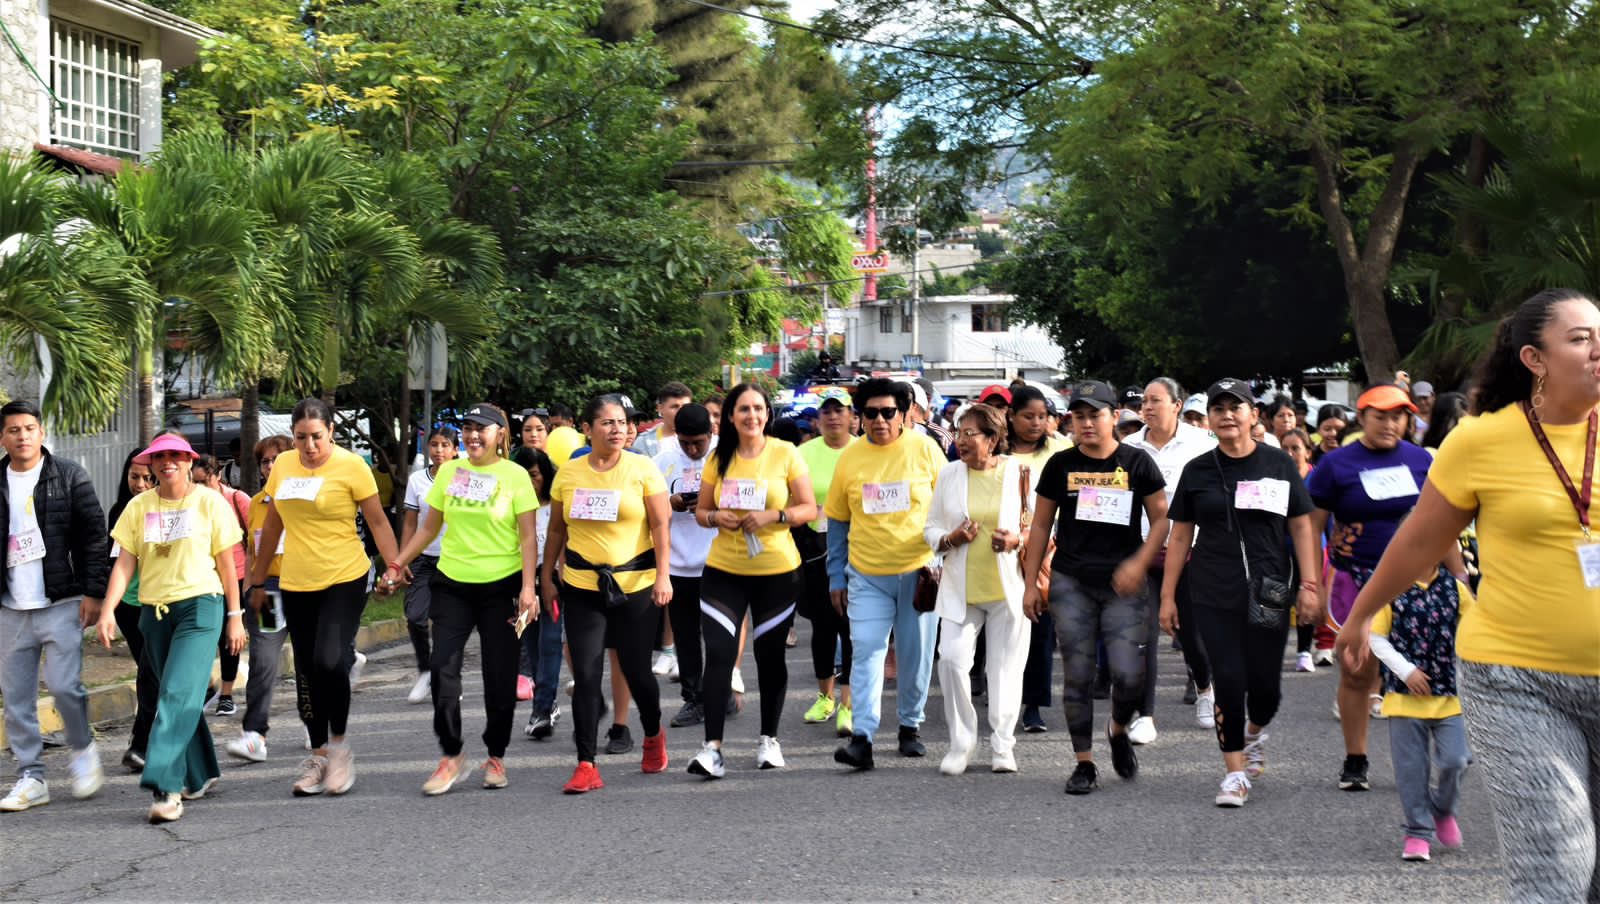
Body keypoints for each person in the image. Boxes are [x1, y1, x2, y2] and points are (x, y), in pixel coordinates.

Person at [1336, 288, 1600, 901]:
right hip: (1518, 680)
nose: (1597, 349)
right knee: (1555, 857)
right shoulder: (1480, 441)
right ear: (1535, 358)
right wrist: (1362, 614)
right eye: (1581, 338)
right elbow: (1418, 543)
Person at [1160, 379, 1320, 808]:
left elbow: (1302, 526)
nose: (1228, 414)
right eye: (1219, 408)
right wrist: (1168, 596)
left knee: (1266, 689)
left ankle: (1254, 733)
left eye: (1237, 406)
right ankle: (1234, 774)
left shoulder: (1278, 464)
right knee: (1228, 680)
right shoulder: (1198, 470)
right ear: (1209, 419)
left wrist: (1309, 584)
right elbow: (1179, 537)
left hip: (1268, 589)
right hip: (1212, 589)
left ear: (1254, 415)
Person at [248, 398, 402, 798]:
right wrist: (258, 579)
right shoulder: (283, 466)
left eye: (316, 437)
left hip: (344, 576)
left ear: (331, 431)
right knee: (306, 670)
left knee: (329, 659)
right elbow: (276, 520)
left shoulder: (352, 467)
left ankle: (338, 746)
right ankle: (318, 755)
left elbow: (378, 520)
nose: (309, 446)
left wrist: (393, 565)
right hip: (297, 580)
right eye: (301, 438)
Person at [1021, 380, 1168, 795]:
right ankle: (1083, 763)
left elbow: (1162, 520)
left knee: (1128, 676)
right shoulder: (1060, 466)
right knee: (1078, 676)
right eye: (1079, 416)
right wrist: (1032, 584)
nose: (1087, 423)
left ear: (1114, 416)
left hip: (1124, 584)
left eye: (1095, 415)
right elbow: (1040, 527)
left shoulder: (1137, 463)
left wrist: (1139, 564)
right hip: (1072, 581)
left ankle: (1118, 728)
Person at [385, 404, 539, 794]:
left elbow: (526, 537)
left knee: (499, 677)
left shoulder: (515, 475)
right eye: (467, 428)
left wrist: (528, 587)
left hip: (501, 587)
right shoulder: (451, 472)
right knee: (442, 670)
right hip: (452, 582)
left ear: (500, 434)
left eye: (481, 429)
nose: (472, 435)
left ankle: (496, 755)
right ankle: (451, 755)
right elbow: (429, 526)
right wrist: (397, 562)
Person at [1308, 384, 1450, 793]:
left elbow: (1441, 520)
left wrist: (1458, 578)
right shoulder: (1336, 464)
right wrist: (1312, 583)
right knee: (1358, 670)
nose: (1390, 424)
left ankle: (1421, 761)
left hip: (1417, 582)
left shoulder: (1421, 459)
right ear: (1362, 417)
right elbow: (1312, 523)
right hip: (1356, 576)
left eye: (1398, 416)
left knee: (1424, 671)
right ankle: (1356, 758)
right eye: (1381, 416)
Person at [97, 433, 246, 823]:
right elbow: (125, 563)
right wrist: (109, 608)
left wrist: (235, 616)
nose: (168, 462)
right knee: (177, 694)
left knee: (177, 692)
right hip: (154, 614)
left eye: (176, 456)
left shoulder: (208, 501)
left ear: (188, 461)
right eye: (160, 456)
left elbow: (227, 564)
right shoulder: (138, 507)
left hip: (201, 607)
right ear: (151, 462)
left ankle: (166, 784)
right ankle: (200, 774)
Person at [542, 394, 673, 794]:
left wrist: (664, 577)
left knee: (636, 671)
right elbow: (558, 530)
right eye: (607, 423)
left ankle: (653, 735)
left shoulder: (642, 468)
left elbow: (660, 527)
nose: (617, 429)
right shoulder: (569, 472)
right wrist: (547, 575)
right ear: (587, 428)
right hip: (582, 585)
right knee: (584, 674)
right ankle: (586, 763)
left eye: (622, 422)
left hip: (635, 585)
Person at [687, 384, 816, 778]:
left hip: (777, 572)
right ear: (730, 416)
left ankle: (769, 740)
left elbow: (809, 508)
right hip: (724, 572)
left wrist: (774, 516)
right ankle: (712, 749)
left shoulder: (785, 453)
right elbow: (701, 512)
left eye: (758, 408)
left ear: (767, 413)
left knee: (769, 656)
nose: (752, 416)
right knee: (721, 654)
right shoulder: (718, 459)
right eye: (743, 409)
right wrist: (715, 518)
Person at [826, 378, 946, 770]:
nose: (879, 421)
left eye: (888, 412)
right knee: (866, 650)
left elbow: (948, 506)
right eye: (870, 413)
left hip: (919, 572)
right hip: (867, 574)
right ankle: (863, 737)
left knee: (915, 655)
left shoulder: (926, 449)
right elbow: (838, 522)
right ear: (859, 417)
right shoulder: (850, 458)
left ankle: (910, 726)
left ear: (905, 412)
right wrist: (837, 576)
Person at [0, 399, 108, 813]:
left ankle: (82, 750)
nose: (22, 436)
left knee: (64, 685)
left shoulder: (69, 476)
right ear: (3, 437)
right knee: (16, 699)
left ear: (41, 433)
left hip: (62, 600)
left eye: (29, 428)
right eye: (14, 430)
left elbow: (95, 536)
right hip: (11, 607)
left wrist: (95, 592)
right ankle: (31, 776)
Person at [926, 403, 1029, 774]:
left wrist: (1017, 540)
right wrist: (951, 538)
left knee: (1004, 670)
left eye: (970, 434)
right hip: (959, 589)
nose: (962, 441)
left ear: (992, 439)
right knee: (951, 660)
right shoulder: (949, 474)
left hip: (1007, 589)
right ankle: (961, 743)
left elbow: (1043, 527)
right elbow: (930, 529)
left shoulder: (1019, 472)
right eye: (959, 432)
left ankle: (1003, 745)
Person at [1126, 377, 1219, 741]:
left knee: (1191, 633)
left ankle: (1204, 689)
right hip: (1143, 551)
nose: (1147, 408)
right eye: (1144, 402)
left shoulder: (1200, 445)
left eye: (1156, 401)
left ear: (1177, 405)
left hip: (1189, 551)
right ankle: (1145, 715)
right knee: (1143, 633)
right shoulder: (1130, 446)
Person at [1369, 567, 1472, 862]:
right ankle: (1417, 831)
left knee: (1457, 760)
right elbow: (1377, 638)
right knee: (1411, 771)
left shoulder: (1456, 589)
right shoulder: (1391, 586)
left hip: (1450, 697)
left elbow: (1474, 626)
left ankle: (1442, 810)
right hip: (1405, 698)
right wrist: (1407, 671)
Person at [223, 435, 294, 765]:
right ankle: (254, 735)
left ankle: (317, 724)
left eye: (277, 458)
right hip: (269, 589)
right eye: (265, 461)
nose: (270, 465)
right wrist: (250, 590)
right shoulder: (257, 504)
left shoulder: (307, 498)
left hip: (309, 586)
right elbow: (253, 552)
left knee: (314, 662)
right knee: (264, 660)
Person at [1008, 385, 1073, 733]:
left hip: (1046, 550)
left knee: (1039, 629)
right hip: (1000, 549)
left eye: (1042, 417)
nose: (1036, 423)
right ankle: (1004, 696)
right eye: (1028, 416)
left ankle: (1034, 705)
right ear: (1011, 417)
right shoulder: (998, 451)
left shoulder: (1061, 449)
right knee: (1004, 628)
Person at [653, 404, 717, 728]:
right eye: (685, 443)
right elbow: (645, 505)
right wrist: (671, 503)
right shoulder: (662, 461)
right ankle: (694, 699)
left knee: (719, 636)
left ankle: (719, 694)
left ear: (711, 434)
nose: (692, 450)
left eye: (698, 443)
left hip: (718, 563)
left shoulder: (725, 457)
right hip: (678, 565)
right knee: (686, 637)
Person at [796, 396, 856, 737]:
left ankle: (847, 705)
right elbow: (792, 500)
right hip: (816, 550)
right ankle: (825, 697)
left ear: (851, 416)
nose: (833, 417)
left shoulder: (863, 450)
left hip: (858, 549)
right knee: (822, 626)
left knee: (850, 627)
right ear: (817, 419)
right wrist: (812, 509)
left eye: (840, 410)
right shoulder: (804, 453)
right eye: (827, 411)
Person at [105, 450, 159, 772]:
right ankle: (142, 743)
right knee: (150, 672)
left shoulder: (167, 509)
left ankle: (142, 742)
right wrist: (106, 605)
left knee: (151, 674)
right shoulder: (118, 511)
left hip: (161, 604)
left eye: (147, 478)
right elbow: (114, 562)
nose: (140, 484)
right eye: (134, 477)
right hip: (129, 606)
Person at [400, 427, 459, 705]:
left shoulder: (465, 478)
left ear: (455, 449)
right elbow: (411, 523)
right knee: (415, 616)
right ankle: (425, 670)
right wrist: (402, 559)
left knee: (449, 623)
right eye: (434, 445)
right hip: (423, 558)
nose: (438, 450)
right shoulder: (416, 481)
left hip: (455, 559)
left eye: (445, 445)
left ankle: (447, 678)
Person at [513, 446, 563, 740]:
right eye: (523, 475)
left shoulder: (554, 504)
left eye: (534, 475)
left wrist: (556, 577)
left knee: (550, 643)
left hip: (552, 581)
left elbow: (563, 539)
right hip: (519, 584)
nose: (530, 482)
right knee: (529, 645)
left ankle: (542, 709)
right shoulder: (509, 504)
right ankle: (548, 703)